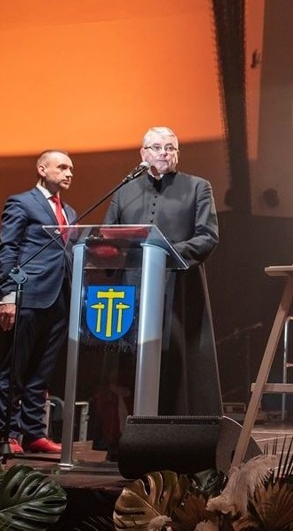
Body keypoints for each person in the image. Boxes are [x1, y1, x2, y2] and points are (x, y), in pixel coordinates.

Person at [103, 126, 222, 416]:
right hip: (130, 291)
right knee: (128, 367)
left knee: (175, 364)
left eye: (170, 148)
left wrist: (166, 253)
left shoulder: (198, 187)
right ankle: (123, 438)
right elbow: (106, 236)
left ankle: (175, 436)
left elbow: (208, 236)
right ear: (143, 153)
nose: (164, 153)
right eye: (157, 147)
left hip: (178, 289)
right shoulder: (125, 190)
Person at [0, 150, 76, 455]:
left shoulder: (70, 211)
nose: (69, 173)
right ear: (42, 169)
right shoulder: (21, 202)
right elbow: (8, 249)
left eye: (71, 169)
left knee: (42, 371)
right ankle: (8, 434)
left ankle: (33, 433)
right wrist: (7, 296)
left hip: (61, 298)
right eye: (63, 167)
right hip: (29, 295)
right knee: (15, 369)